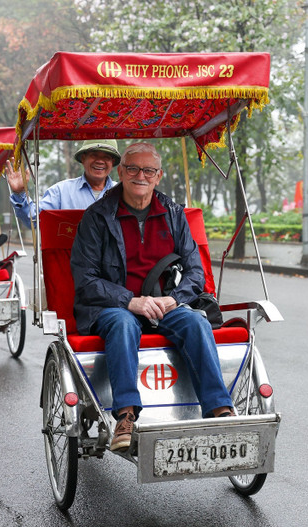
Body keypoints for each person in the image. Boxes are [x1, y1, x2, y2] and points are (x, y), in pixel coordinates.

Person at [70, 142, 234, 452]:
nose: (140, 176)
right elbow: (85, 278)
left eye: (148, 170)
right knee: (123, 324)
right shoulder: (97, 217)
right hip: (113, 306)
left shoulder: (173, 213)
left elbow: (195, 272)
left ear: (158, 176)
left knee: (195, 323)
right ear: (121, 172)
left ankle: (218, 410)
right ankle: (126, 415)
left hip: (163, 303)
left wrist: (174, 298)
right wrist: (130, 301)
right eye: (133, 169)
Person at [4, 139, 121, 227]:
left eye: (106, 157)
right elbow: (36, 221)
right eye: (94, 155)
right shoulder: (61, 192)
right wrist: (20, 193)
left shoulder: (123, 192)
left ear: (112, 162)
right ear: (83, 159)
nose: (100, 161)